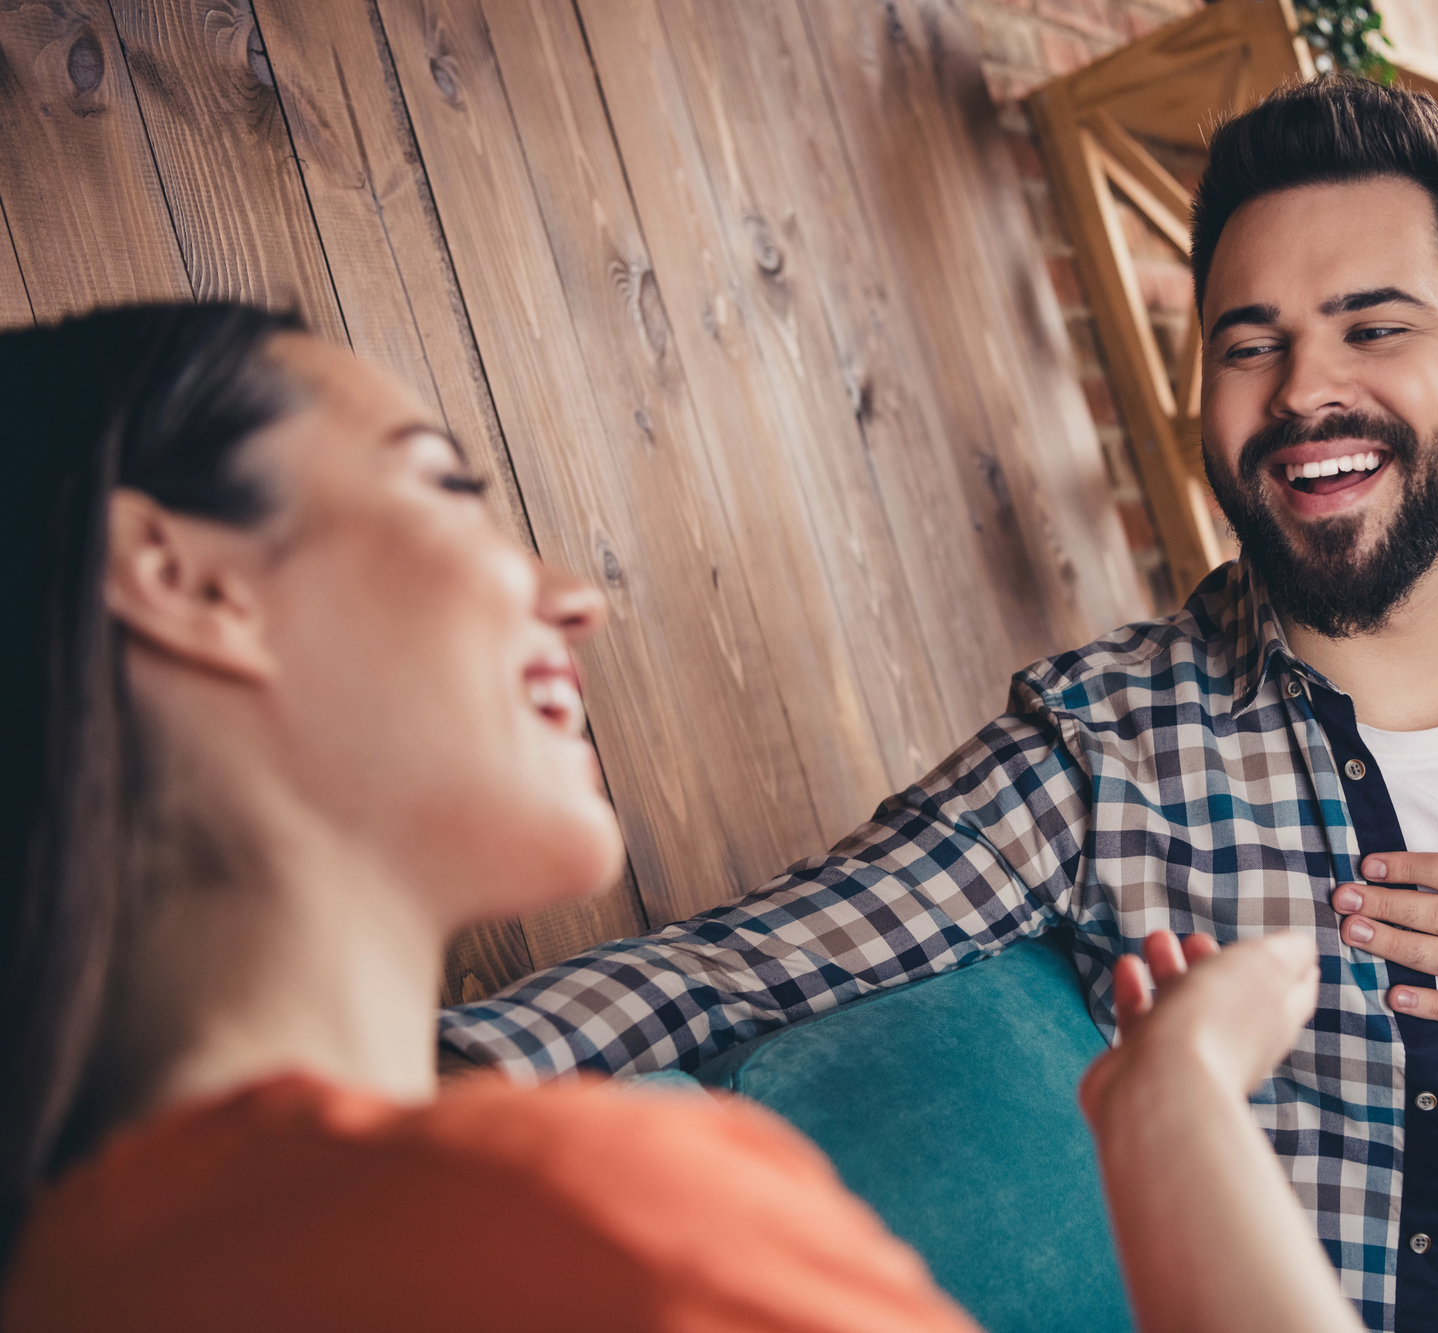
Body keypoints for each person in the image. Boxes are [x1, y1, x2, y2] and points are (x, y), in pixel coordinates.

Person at [439, 74, 1438, 1333]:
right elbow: (758, 956)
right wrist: (352, 1090)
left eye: (1374, 327)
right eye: (1249, 342)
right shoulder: (1111, 745)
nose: (1304, 389)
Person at [0, 302, 1365, 1333]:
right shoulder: (578, 1210)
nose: (565, 591)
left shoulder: (74, 1267)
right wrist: (1177, 1102)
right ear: (184, 579)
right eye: (436, 482)